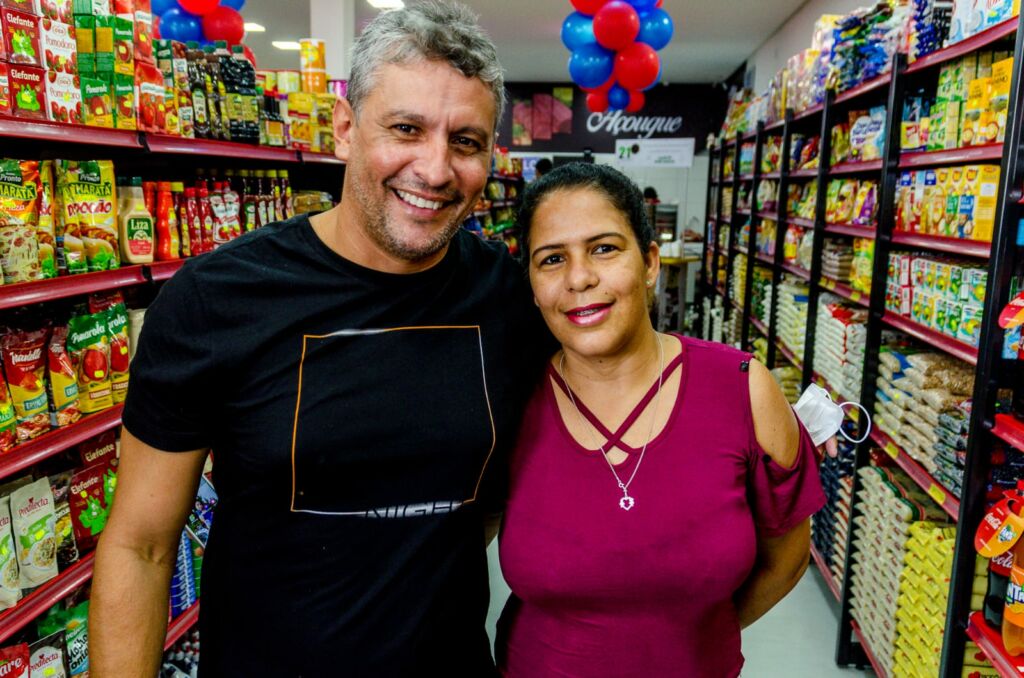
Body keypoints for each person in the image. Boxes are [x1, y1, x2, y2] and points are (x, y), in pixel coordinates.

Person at [89, 3, 546, 676]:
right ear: (345, 128)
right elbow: (142, 546)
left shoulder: (510, 299)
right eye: (406, 129)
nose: (435, 169)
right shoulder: (217, 298)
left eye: (466, 141)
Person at [496, 163, 826, 677]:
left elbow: (787, 557)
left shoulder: (742, 388)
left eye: (604, 248)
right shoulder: (508, 400)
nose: (579, 278)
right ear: (533, 285)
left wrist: (695, 640)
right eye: (552, 259)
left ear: (650, 262)